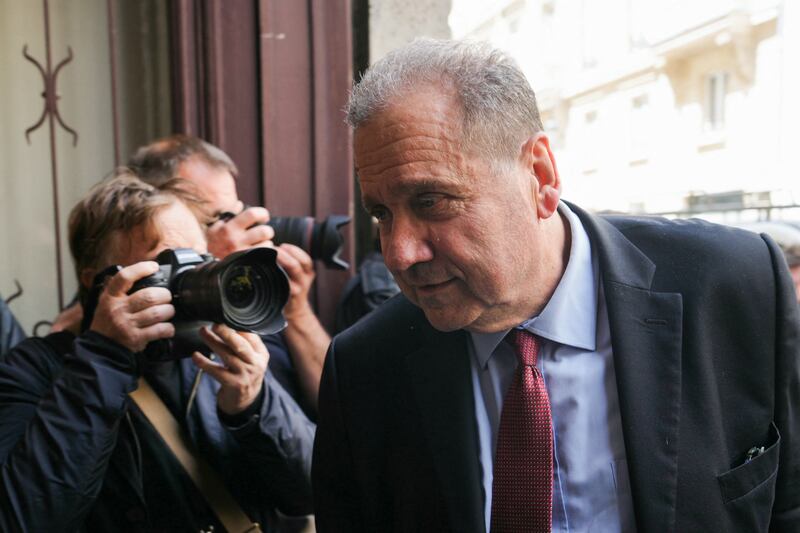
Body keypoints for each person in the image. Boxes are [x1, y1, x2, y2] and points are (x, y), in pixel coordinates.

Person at [311, 39, 800, 532]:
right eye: (381, 213)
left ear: (540, 175)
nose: (399, 252)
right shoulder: (364, 369)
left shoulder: (732, 285)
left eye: (431, 201)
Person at [0, 172, 314, 531]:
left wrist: (254, 406)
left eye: (199, 261)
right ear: (98, 281)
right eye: (168, 265)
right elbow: (23, 519)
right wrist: (105, 356)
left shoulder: (219, 350)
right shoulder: (36, 368)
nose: (191, 278)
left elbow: (314, 489)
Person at [129, 135, 330, 413]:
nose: (237, 233)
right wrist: (207, 266)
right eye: (218, 220)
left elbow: (340, 405)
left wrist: (296, 312)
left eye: (237, 214)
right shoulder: (130, 307)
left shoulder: (249, 290)